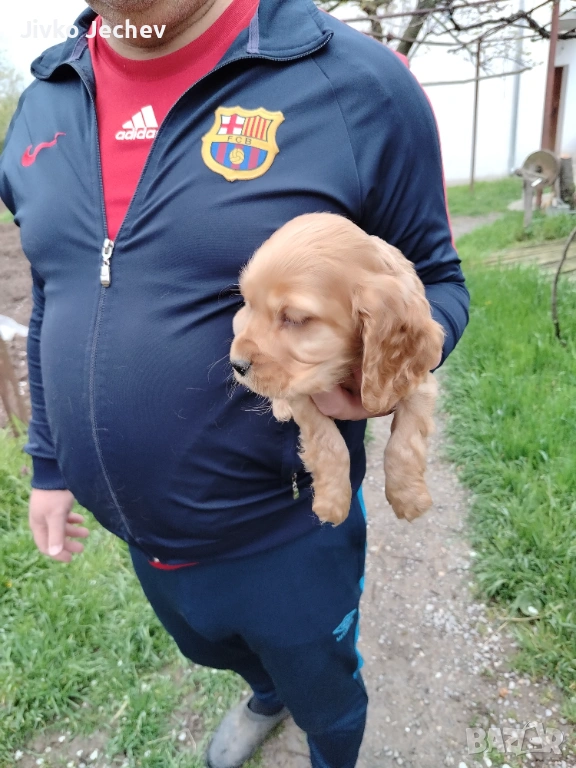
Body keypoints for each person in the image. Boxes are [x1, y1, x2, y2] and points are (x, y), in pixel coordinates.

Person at [0, 0, 469, 765]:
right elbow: (52, 291)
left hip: (290, 530)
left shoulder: (357, 86)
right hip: (139, 534)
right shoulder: (43, 102)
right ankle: (265, 690)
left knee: (326, 688)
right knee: (207, 645)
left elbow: (438, 280)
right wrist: (49, 467)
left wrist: (382, 371)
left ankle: (322, 732)